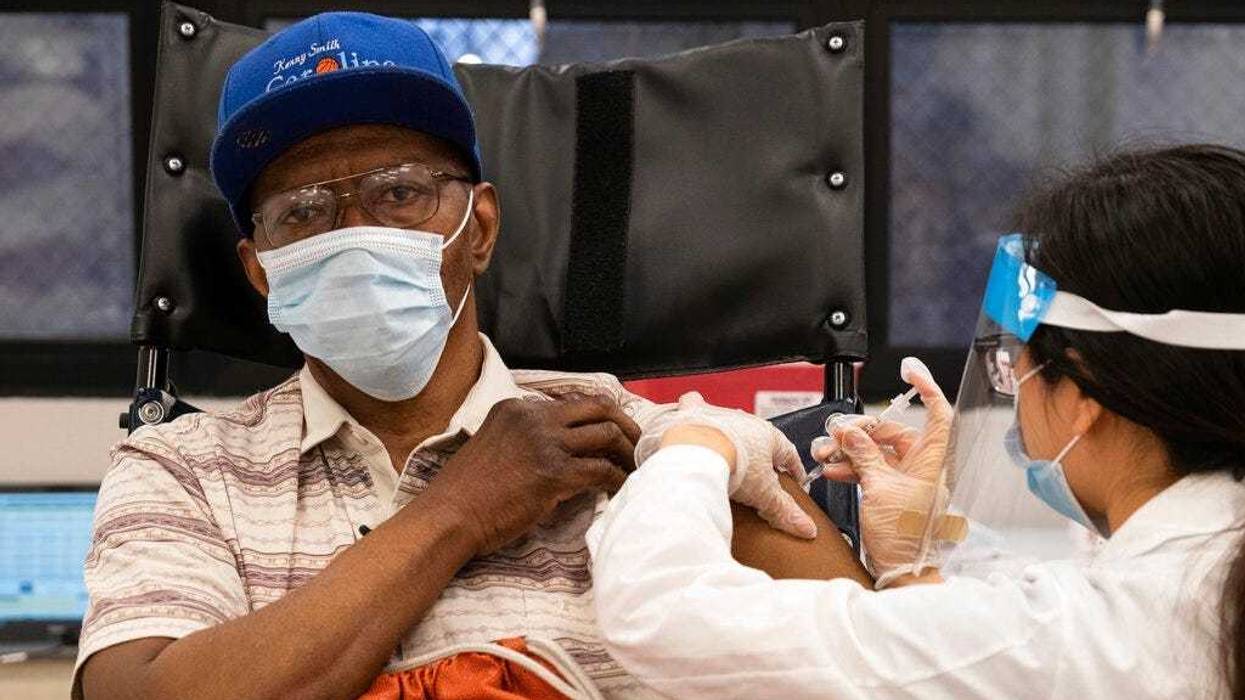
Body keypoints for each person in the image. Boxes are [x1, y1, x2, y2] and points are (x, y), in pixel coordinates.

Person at [74, 12, 868, 700]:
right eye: (303, 212)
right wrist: (460, 509)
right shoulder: (182, 468)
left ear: (479, 229)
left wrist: (695, 466)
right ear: (259, 270)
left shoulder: (626, 433)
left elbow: (864, 654)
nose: (353, 231)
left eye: (398, 193)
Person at [587, 144, 1245, 698]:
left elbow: (664, 615)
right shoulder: (1197, 581)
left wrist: (693, 446)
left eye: (1019, 364)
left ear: (1081, 395)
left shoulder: (1105, 633)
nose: (1012, 387)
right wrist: (914, 556)